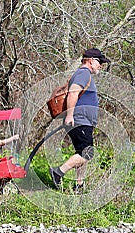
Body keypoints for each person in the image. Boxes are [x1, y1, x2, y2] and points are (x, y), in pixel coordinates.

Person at [49, 48, 110, 190]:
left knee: (82, 153)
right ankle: (58, 172)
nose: (101, 64)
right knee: (87, 154)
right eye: (99, 61)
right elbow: (73, 94)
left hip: (83, 120)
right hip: (79, 119)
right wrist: (70, 115)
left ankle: (79, 185)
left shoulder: (83, 74)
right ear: (90, 60)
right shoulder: (83, 74)